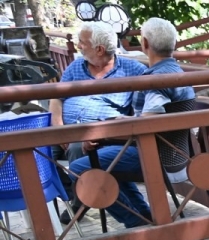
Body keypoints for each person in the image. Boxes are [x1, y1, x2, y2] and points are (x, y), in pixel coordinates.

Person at [68, 18, 194, 229]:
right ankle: (143, 214)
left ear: (145, 43)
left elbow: (148, 124)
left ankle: (133, 220)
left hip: (154, 154)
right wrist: (123, 122)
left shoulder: (156, 79)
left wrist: (104, 134)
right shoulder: (178, 73)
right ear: (174, 44)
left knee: (80, 168)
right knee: (109, 159)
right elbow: (151, 119)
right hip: (174, 152)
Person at [50, 21, 145, 213]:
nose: (78, 46)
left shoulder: (133, 70)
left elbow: (150, 103)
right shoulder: (77, 66)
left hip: (100, 135)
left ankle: (81, 202)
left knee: (77, 150)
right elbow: (56, 98)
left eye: (82, 42)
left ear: (99, 49)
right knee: (36, 155)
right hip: (64, 129)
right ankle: (76, 196)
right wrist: (59, 128)